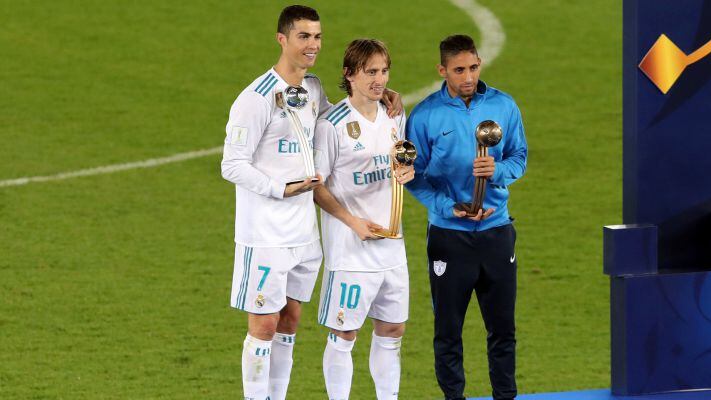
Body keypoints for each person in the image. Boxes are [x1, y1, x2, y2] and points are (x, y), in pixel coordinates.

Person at [220, 6, 402, 400]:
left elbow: (336, 121)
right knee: (264, 325)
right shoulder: (255, 98)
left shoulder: (313, 89)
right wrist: (279, 188)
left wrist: (380, 95)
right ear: (282, 39)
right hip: (266, 231)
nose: (313, 45)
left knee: (290, 321)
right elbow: (231, 164)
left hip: (304, 231)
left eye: (317, 37)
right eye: (304, 37)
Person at [404, 34, 528, 400]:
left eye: (473, 67)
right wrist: (448, 207)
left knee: (503, 329)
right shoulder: (425, 115)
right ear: (442, 70)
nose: (468, 76)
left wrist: (498, 171)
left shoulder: (504, 106)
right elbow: (413, 176)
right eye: (459, 70)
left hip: (496, 231)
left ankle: (506, 396)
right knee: (448, 331)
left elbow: (519, 156)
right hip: (449, 237)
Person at [313, 39, 414, 400]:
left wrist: (406, 173)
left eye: (384, 71)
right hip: (351, 251)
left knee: (392, 330)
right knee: (344, 335)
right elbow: (316, 187)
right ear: (349, 74)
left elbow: (401, 161)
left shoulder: (393, 115)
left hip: (392, 247)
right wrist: (351, 220)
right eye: (370, 72)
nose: (379, 80)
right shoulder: (332, 124)